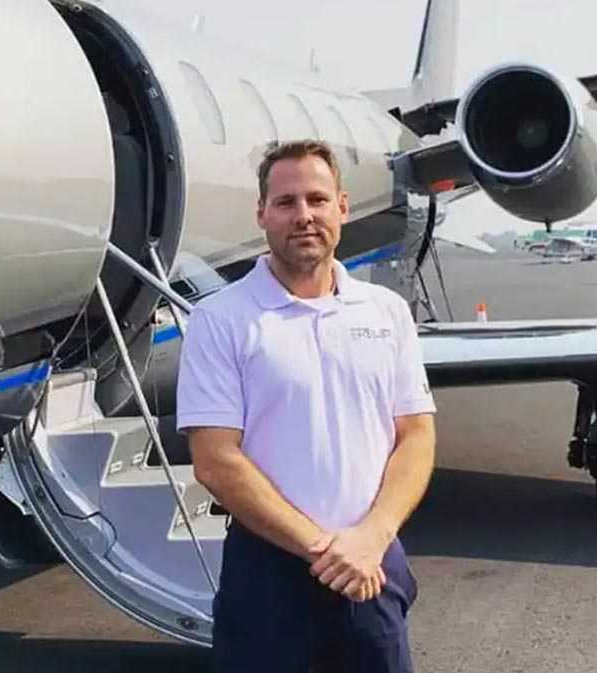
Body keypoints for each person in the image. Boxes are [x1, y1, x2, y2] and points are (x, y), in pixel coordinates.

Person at [176, 139, 437, 672]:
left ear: (342, 207)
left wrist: (372, 537)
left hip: (370, 562)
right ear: (262, 214)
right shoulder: (220, 319)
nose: (304, 216)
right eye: (286, 202)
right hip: (268, 571)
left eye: (317, 200)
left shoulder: (387, 312)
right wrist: (328, 551)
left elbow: (415, 436)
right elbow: (215, 460)